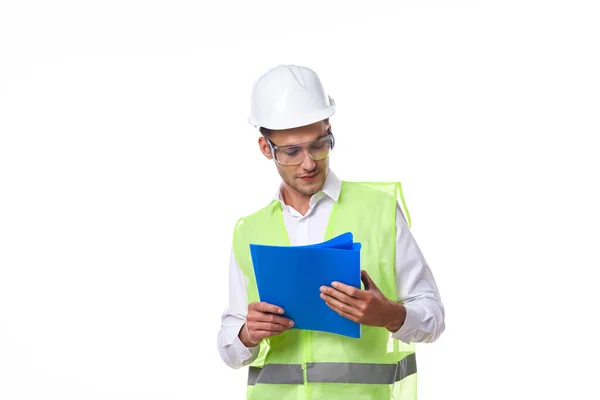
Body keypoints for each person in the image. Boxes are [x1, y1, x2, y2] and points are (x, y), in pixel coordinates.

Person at [217, 64, 445, 400]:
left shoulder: (379, 210)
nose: (309, 163)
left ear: (329, 131)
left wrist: (390, 315)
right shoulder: (249, 230)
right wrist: (247, 334)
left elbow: (434, 319)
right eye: (292, 151)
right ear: (266, 149)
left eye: (319, 144)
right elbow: (228, 347)